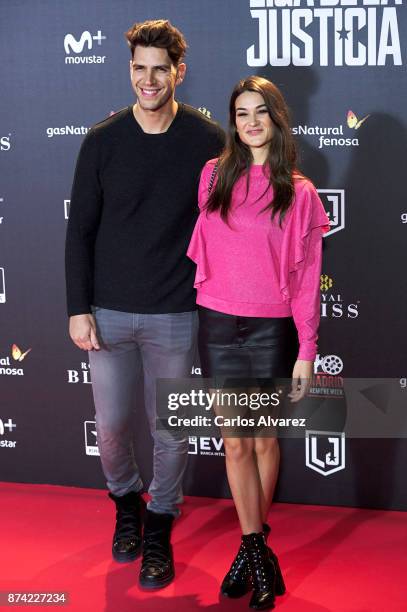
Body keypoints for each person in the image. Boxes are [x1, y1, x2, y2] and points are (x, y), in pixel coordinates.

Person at [65, 19, 224, 589]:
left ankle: (159, 522)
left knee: (172, 428)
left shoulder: (208, 141)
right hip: (107, 312)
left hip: (176, 312)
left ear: (178, 72)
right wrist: (77, 307)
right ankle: (126, 505)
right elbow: (79, 232)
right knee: (111, 427)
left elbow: (231, 218)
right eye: (140, 68)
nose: (149, 79)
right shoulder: (102, 141)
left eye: (160, 68)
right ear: (129, 69)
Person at [187, 76, 329, 609]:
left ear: (276, 118)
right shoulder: (212, 177)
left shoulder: (300, 191)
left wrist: (307, 349)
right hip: (218, 325)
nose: (250, 121)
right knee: (236, 444)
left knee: (264, 443)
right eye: (241, 112)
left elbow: (308, 275)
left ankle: (251, 551)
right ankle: (257, 551)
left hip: (271, 329)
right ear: (233, 121)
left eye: (260, 112)